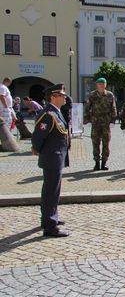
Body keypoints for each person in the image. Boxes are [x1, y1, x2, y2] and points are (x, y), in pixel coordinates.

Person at [31, 83, 70, 237]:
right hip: (52, 157)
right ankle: (49, 226)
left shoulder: (56, 112)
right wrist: (37, 149)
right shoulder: (48, 114)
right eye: (61, 95)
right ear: (53, 97)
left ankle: (50, 217)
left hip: (56, 157)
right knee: (50, 192)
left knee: (53, 191)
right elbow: (38, 136)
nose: (65, 97)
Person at [83, 77, 117, 170]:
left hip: (106, 122)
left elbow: (113, 108)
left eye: (103, 84)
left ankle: (104, 163)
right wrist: (87, 120)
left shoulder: (110, 95)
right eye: (99, 84)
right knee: (95, 143)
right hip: (95, 122)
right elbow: (87, 108)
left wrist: (113, 120)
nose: (101, 85)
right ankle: (97, 163)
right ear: (97, 85)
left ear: (105, 85)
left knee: (106, 143)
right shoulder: (92, 95)